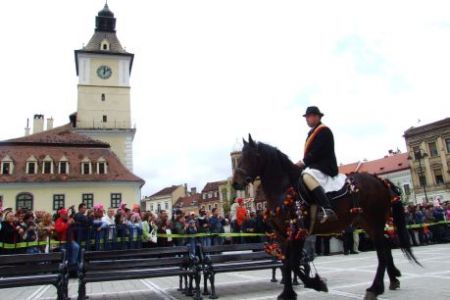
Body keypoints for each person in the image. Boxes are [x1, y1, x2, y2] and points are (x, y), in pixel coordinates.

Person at [296, 106, 345, 223]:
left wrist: (303, 162)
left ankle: (327, 207)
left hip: (325, 166)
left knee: (307, 176)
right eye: (306, 117)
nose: (307, 119)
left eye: (309, 116)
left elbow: (318, 151)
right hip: (315, 166)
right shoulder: (311, 133)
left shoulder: (324, 131)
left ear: (317, 117)